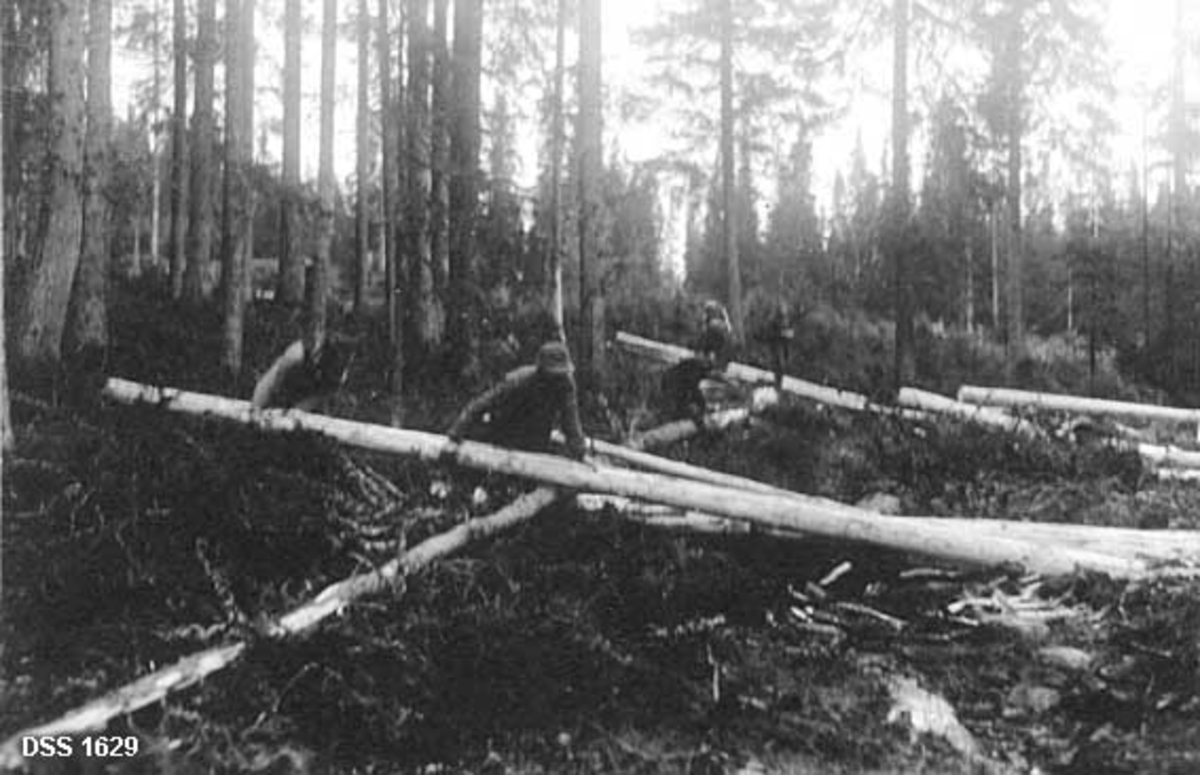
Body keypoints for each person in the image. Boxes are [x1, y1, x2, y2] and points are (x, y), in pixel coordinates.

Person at [446, 340, 588, 459]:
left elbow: (571, 419)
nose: (557, 380)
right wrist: (456, 433)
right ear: (542, 371)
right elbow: (483, 403)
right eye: (554, 375)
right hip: (506, 430)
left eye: (561, 374)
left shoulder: (566, 384)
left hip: (537, 437)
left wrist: (579, 450)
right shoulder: (519, 381)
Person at [251, 336, 351, 412]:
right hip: (281, 386)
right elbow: (271, 380)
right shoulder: (297, 355)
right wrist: (256, 408)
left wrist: (295, 412)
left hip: (306, 394)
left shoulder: (337, 376)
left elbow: (319, 396)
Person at [660, 356, 724, 423]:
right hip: (673, 382)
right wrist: (702, 405)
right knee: (682, 400)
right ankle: (685, 417)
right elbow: (694, 391)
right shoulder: (697, 370)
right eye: (711, 372)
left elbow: (694, 389)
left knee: (686, 399)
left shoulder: (697, 366)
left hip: (674, 379)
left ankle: (687, 416)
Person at [755, 299, 795, 388]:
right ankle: (777, 384)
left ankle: (779, 383)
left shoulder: (788, 319)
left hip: (785, 345)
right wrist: (782, 333)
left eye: (785, 308)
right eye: (782, 308)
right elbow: (769, 333)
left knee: (784, 365)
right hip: (775, 344)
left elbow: (791, 331)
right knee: (779, 364)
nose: (784, 310)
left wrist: (790, 334)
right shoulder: (773, 319)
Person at [696, 299, 733, 366]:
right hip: (722, 329)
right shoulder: (721, 308)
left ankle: (705, 360)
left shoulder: (707, 307)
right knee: (720, 348)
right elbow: (728, 325)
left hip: (714, 328)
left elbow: (703, 322)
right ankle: (720, 364)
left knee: (706, 344)